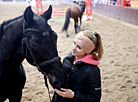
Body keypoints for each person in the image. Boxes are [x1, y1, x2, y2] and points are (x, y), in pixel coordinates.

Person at [52, 30, 104, 102]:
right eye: (74, 43)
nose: (73, 48)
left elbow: (95, 99)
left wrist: (73, 95)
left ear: (87, 51)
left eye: (79, 47)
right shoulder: (68, 59)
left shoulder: (93, 70)